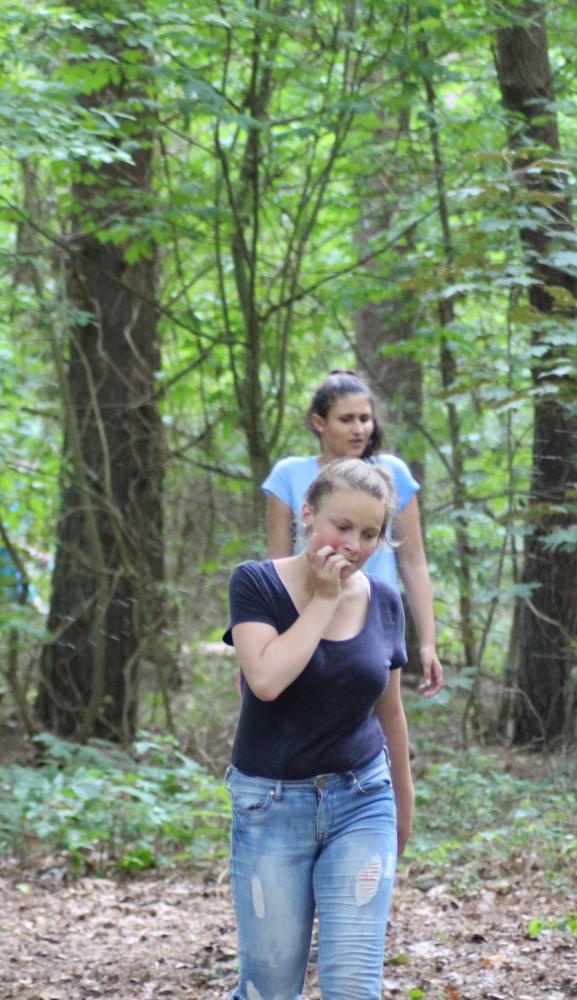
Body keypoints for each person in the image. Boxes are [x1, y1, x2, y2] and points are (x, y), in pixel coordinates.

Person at [223, 458, 415, 999]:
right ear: (307, 514)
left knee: (354, 986)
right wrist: (324, 600)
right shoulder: (256, 583)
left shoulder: (384, 602)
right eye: (342, 526)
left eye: (370, 534)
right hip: (271, 805)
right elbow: (266, 680)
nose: (354, 545)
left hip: (363, 799)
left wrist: (403, 805)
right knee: (271, 988)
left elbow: (390, 711)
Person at [264, 369, 444, 698]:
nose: (359, 429)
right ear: (319, 422)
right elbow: (274, 567)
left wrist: (428, 643)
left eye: (365, 418)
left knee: (379, 713)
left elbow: (414, 561)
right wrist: (260, 646)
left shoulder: (392, 473)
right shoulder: (288, 475)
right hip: (307, 613)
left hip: (373, 618)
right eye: (346, 419)